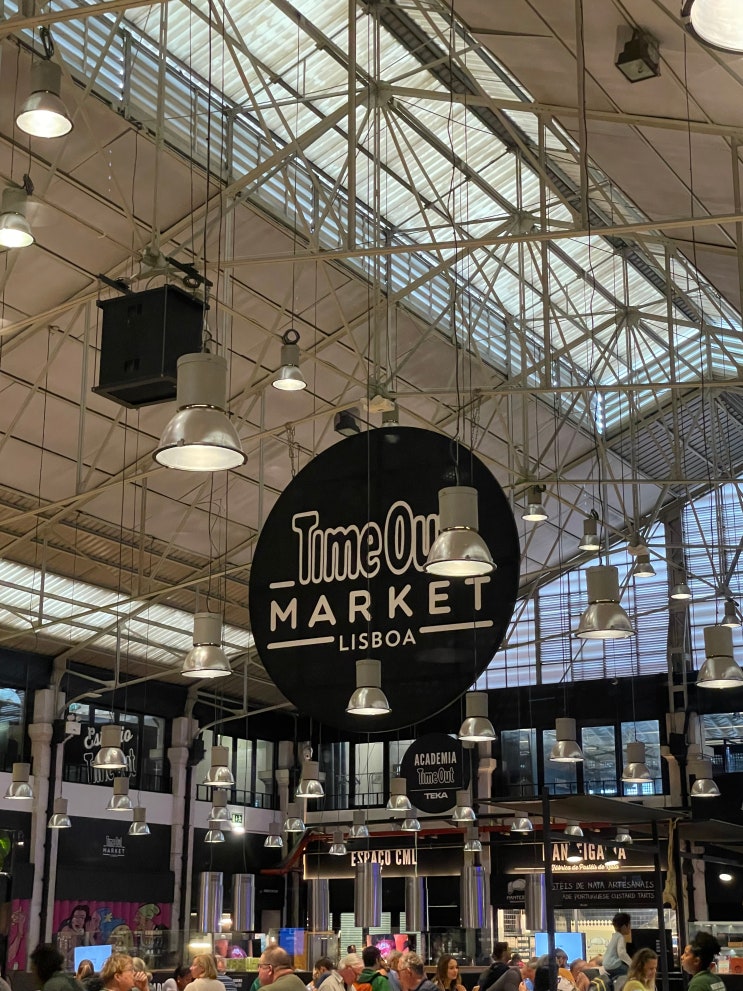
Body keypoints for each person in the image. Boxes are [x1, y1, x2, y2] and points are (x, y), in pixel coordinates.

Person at [604, 914, 632, 983]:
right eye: (629, 925)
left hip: (606, 965)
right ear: (624, 926)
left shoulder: (615, 936)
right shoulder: (620, 937)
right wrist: (632, 964)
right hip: (613, 965)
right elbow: (622, 953)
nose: (630, 927)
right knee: (631, 973)